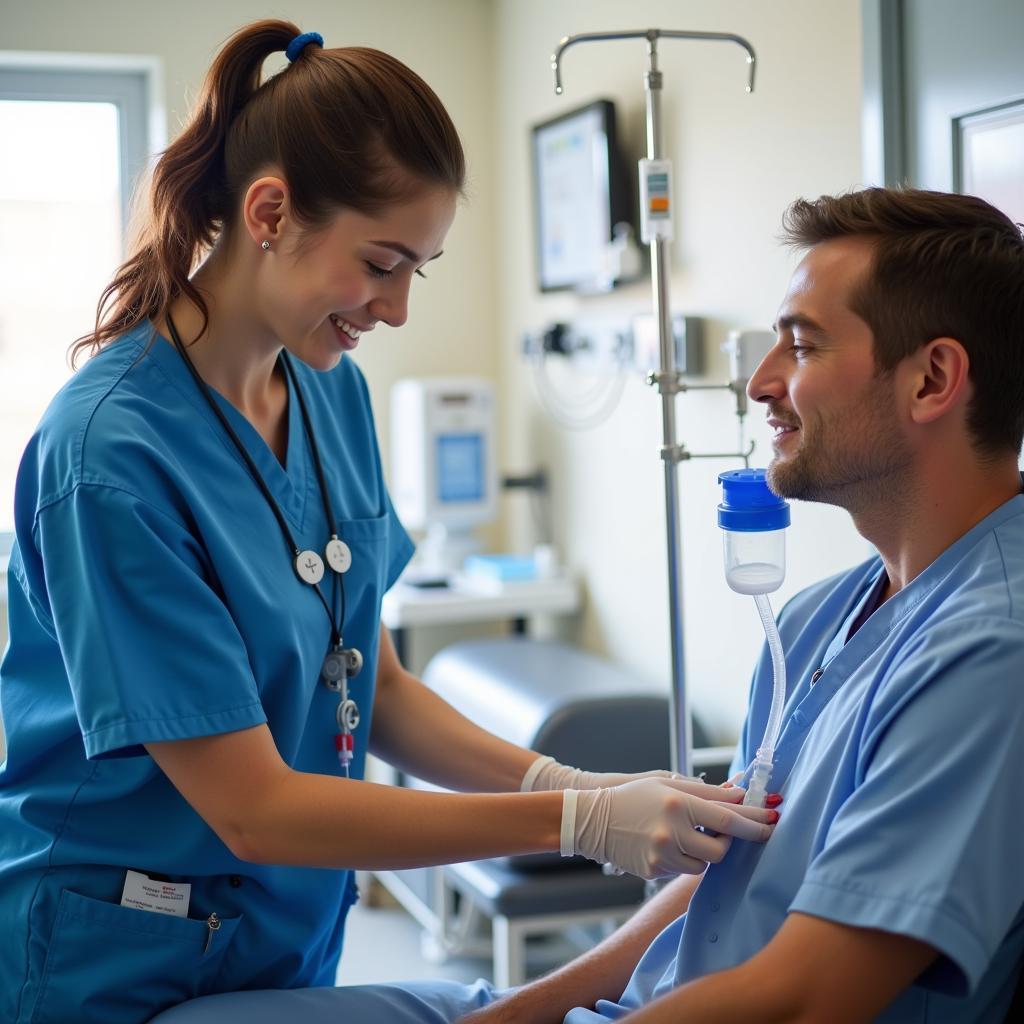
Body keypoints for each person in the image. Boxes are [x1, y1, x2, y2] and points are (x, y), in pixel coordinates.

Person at [0, 20, 778, 1024]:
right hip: (110, 958)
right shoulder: (110, 458)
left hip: (271, 938)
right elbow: (253, 808)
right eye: (382, 262)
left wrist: (570, 778)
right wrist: (576, 820)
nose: (397, 307)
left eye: (421, 268)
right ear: (269, 212)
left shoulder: (330, 395)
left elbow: (372, 681)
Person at [177, 185, 1023, 1023]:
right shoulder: (815, 621)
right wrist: (514, 1014)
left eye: (801, 347)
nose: (760, 382)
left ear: (932, 380)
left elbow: (807, 997)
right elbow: (714, 886)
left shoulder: (989, 656)